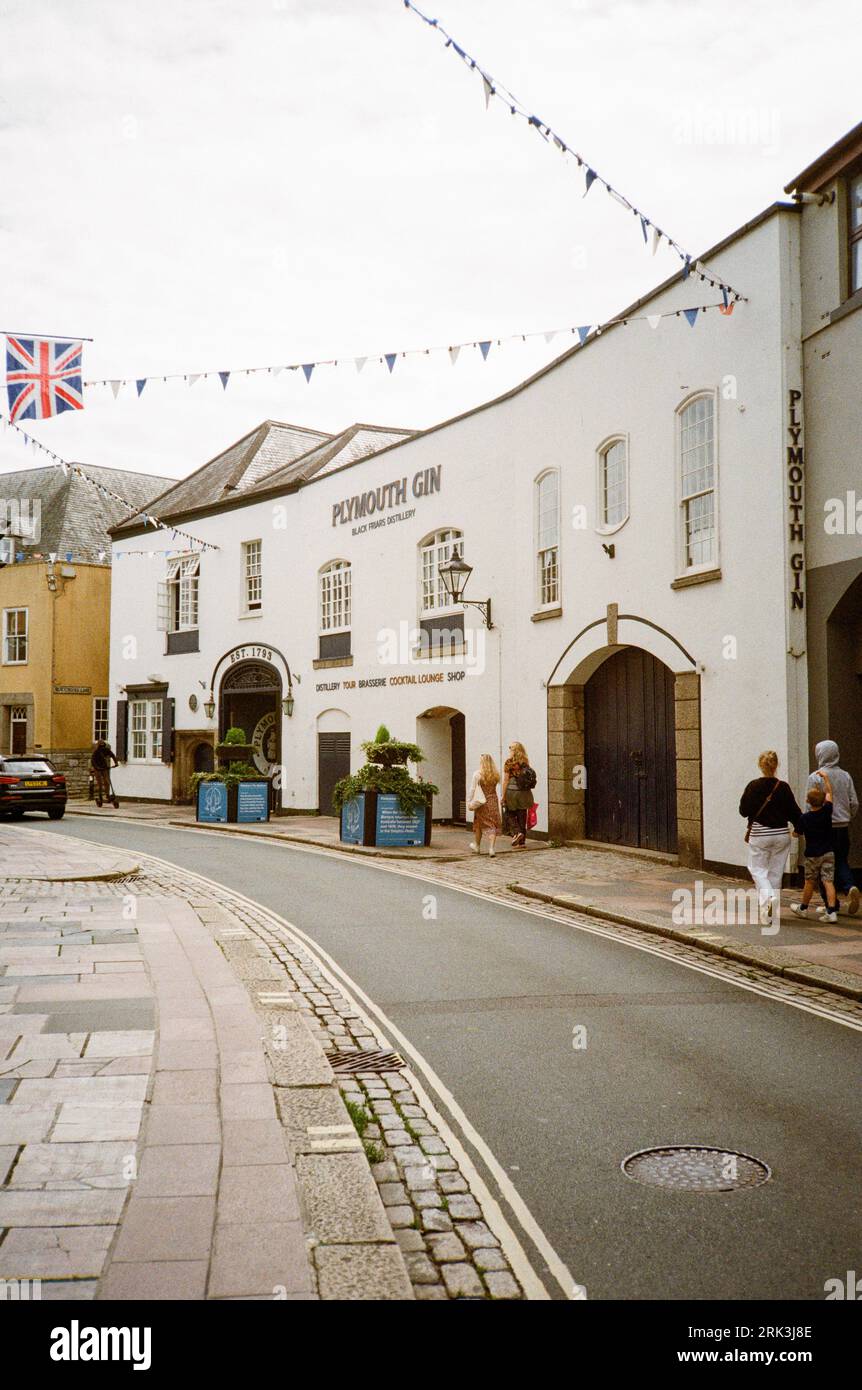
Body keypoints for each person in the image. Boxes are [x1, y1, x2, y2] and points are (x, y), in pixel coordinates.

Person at [739, 750, 803, 928]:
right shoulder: (783, 787)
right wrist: (799, 828)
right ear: (776, 766)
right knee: (776, 873)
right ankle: (769, 914)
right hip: (782, 834)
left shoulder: (753, 786)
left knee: (757, 869)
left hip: (760, 835)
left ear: (761, 765)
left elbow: (743, 811)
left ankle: (768, 898)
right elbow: (795, 812)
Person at [806, 741, 859, 916]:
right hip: (843, 826)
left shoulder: (816, 776)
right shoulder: (845, 776)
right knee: (841, 859)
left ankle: (832, 905)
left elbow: (810, 804)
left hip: (823, 828)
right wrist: (847, 816)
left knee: (824, 867)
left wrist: (809, 824)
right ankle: (850, 886)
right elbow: (854, 802)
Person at [790, 770, 838, 923]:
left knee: (810, 881)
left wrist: (794, 832)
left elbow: (796, 834)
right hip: (828, 852)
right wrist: (826, 779)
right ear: (823, 801)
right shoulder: (827, 811)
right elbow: (830, 793)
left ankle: (803, 908)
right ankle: (831, 912)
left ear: (808, 801)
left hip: (812, 855)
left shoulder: (805, 818)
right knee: (828, 881)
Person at [501, 741, 535, 848]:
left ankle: (517, 832)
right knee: (522, 815)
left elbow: (506, 780)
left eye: (510, 748)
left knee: (509, 813)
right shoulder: (525, 762)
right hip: (524, 793)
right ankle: (522, 842)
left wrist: (503, 796)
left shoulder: (509, 762)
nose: (509, 750)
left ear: (514, 750)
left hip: (512, 792)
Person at [467, 753, 501, 857]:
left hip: (482, 802)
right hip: (493, 801)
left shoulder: (477, 774)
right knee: (492, 824)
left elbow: (472, 789)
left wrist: (469, 801)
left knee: (479, 823)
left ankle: (477, 845)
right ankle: (491, 848)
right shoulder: (495, 774)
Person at [90, 738, 118, 808]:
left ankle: (107, 795)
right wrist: (97, 767)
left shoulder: (106, 750)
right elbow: (93, 761)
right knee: (100, 783)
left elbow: (112, 755)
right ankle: (100, 796)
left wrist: (116, 762)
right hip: (98, 769)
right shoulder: (96, 752)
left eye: (103, 745)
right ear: (99, 745)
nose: (102, 746)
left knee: (107, 782)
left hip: (104, 767)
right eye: (101, 745)